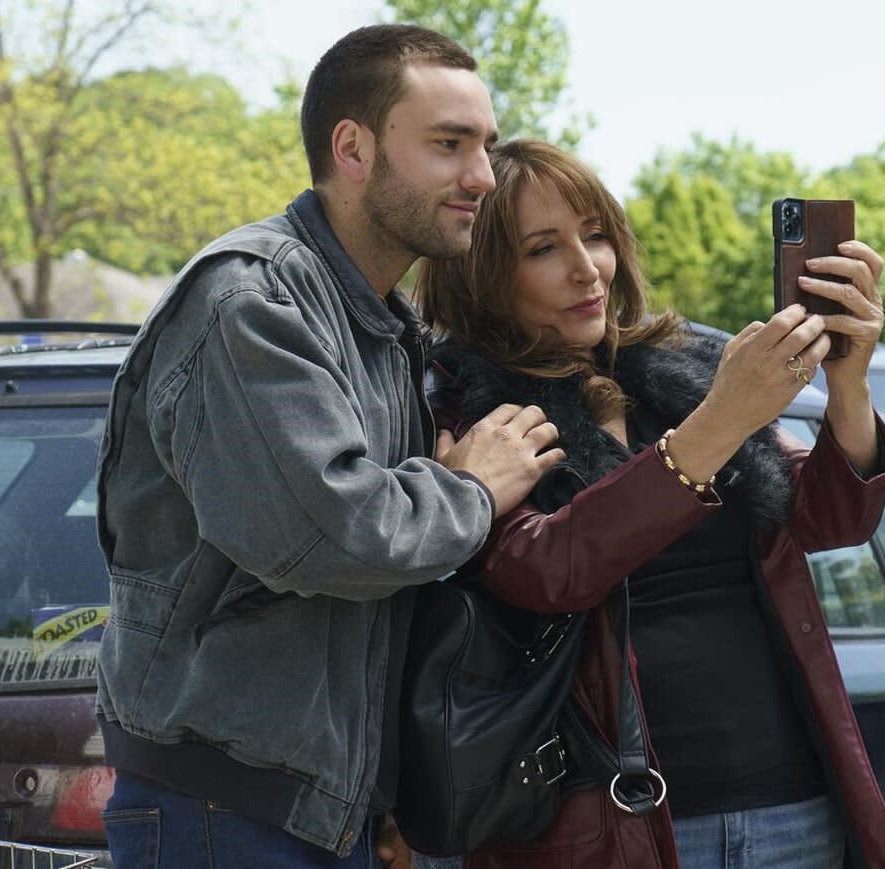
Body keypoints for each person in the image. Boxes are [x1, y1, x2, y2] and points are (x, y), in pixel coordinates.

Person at [94, 27, 567, 869]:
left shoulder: (382, 323)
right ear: (353, 147)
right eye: (449, 145)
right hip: (224, 805)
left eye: (484, 147)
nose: (483, 178)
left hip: (314, 810)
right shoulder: (250, 302)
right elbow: (335, 535)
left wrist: (377, 794)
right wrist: (470, 489)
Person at [415, 139, 885, 868]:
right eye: (543, 249)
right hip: (611, 822)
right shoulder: (469, 408)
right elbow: (543, 569)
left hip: (793, 802)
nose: (588, 268)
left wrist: (850, 383)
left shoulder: (687, 368)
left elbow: (829, 519)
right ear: (484, 277)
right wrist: (716, 425)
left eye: (594, 235)